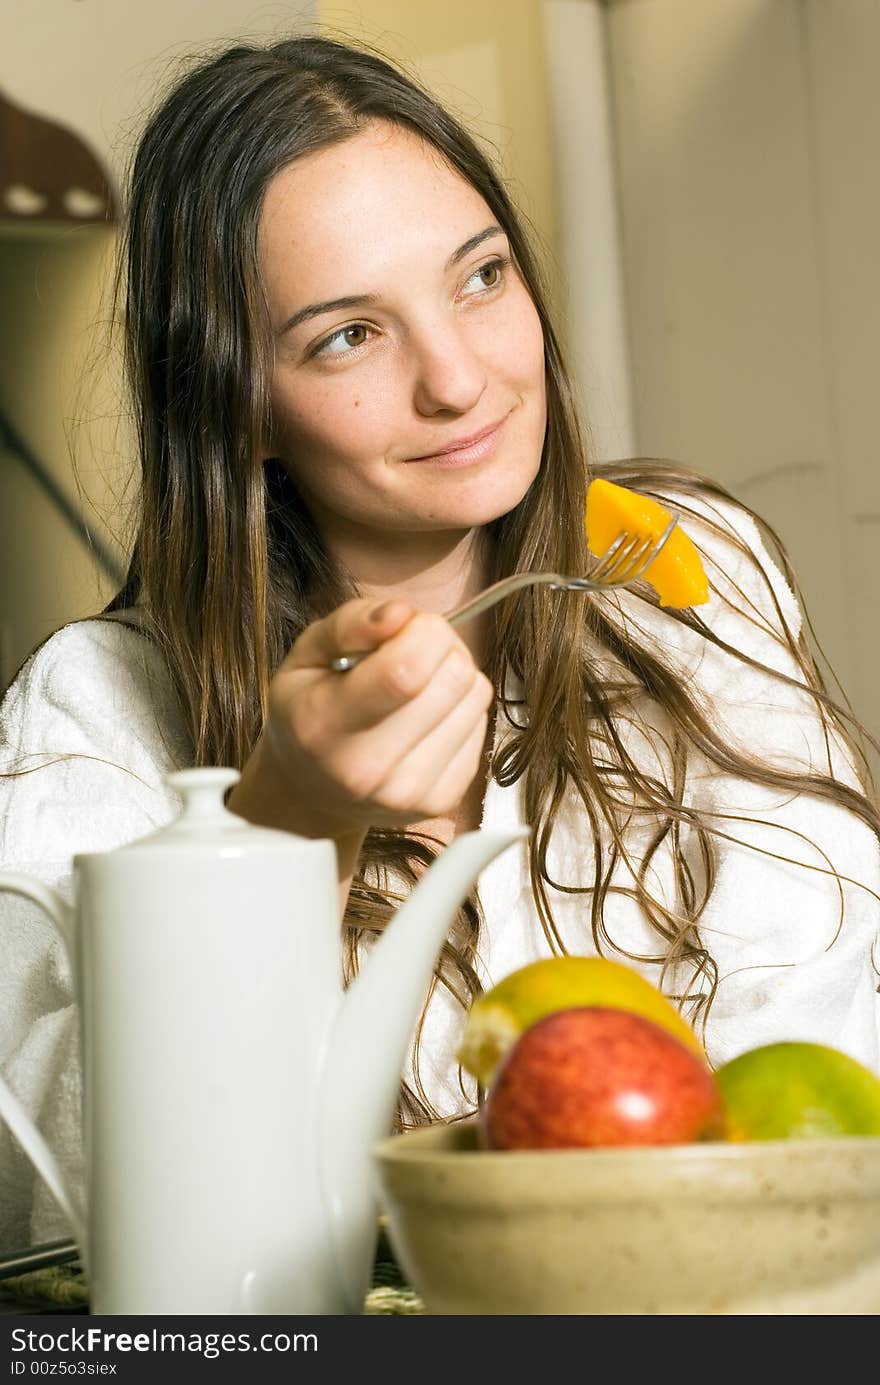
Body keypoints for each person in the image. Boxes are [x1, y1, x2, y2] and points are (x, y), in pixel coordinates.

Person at [1, 33, 879, 1249]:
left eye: (480, 277)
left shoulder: (685, 571)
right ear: (237, 404)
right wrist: (288, 821)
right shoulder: (97, 705)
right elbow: (71, 1214)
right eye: (348, 335)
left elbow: (816, 1061)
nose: (460, 380)